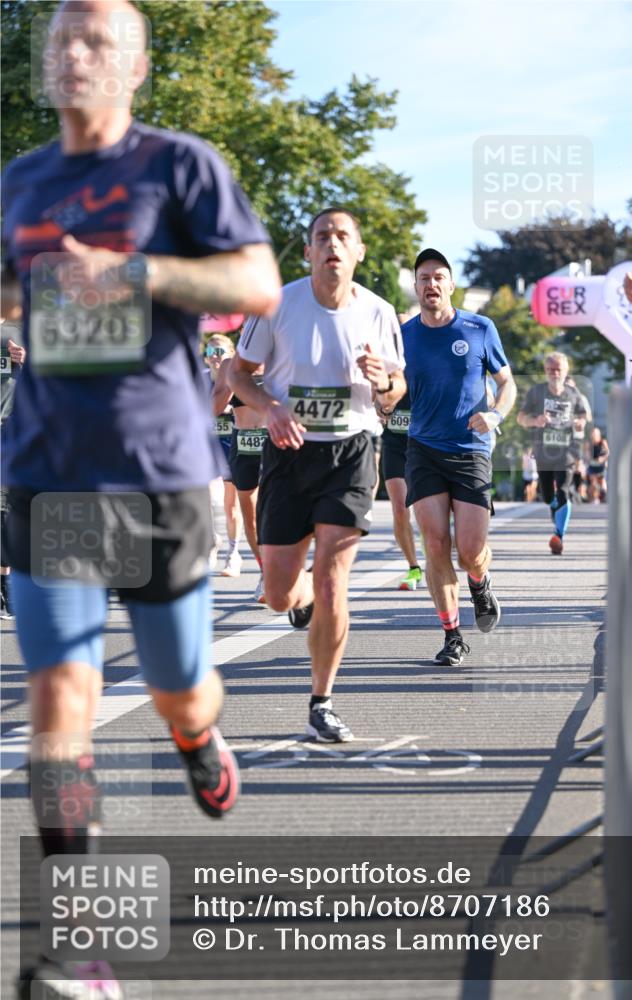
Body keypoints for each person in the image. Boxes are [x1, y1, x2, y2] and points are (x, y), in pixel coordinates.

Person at [1, 2, 281, 995]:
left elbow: (257, 281)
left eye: (97, 41)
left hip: (157, 475)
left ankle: (197, 734)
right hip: (47, 471)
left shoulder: (179, 166)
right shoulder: (22, 180)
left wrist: (132, 272)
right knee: (60, 698)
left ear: (135, 65)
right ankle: (79, 943)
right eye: (61, 39)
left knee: (175, 683)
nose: (74, 54)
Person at [227, 207, 406, 742]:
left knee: (334, 581)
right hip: (287, 451)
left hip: (350, 454)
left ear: (358, 252)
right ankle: (297, 600)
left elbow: (396, 396)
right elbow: (237, 374)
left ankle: (322, 701)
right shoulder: (277, 304)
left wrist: (383, 384)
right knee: (280, 594)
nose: (332, 243)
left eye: (342, 236)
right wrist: (272, 408)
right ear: (308, 252)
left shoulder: (379, 312)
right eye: (321, 236)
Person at [401, 249, 516, 667]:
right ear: (416, 287)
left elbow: (507, 383)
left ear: (451, 285)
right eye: (424, 278)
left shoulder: (480, 327)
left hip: (470, 450)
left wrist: (495, 412)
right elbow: (392, 386)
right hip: (424, 449)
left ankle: (480, 582)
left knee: (470, 551)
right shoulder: (404, 335)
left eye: (439, 277)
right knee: (434, 544)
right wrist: (382, 400)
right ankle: (452, 634)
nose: (431, 284)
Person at [517, 352, 589, 555]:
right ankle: (553, 504)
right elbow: (520, 418)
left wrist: (580, 422)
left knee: (564, 489)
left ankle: (559, 536)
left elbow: (584, 415)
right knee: (548, 495)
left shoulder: (574, 394)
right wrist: (535, 421)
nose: (555, 373)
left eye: (559, 369)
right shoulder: (536, 392)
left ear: (565, 371)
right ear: (545, 371)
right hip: (543, 451)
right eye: (551, 369)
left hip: (566, 451)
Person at [213, 356, 268, 603]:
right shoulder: (229, 364)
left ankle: (285, 568)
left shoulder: (282, 356)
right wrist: (228, 384)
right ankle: (266, 572)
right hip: (244, 445)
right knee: (252, 518)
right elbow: (213, 408)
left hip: (276, 442)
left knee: (278, 510)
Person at [201, 330, 243, 575]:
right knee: (204, 494)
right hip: (207, 444)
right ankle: (212, 541)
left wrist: (229, 407)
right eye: (210, 352)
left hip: (232, 442)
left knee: (231, 505)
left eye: (220, 352)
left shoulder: (238, 377)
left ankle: (233, 553)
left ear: (231, 355)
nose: (215, 357)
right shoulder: (201, 379)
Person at [380, 378, 424, 590]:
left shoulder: (426, 357)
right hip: (394, 445)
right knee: (400, 509)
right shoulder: (388, 359)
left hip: (424, 445)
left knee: (429, 511)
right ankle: (413, 567)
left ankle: (436, 552)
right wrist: (380, 407)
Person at [0, 333, 26, 619]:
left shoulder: (24, 330)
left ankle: (6, 585)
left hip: (11, 431)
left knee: (6, 510)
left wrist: (29, 362)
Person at [586, 426, 609, 503]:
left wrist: (603, 459)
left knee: (602, 482)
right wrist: (589, 458)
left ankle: (604, 496)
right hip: (592, 466)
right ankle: (593, 498)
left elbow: (608, 453)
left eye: (595, 434)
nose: (594, 436)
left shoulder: (603, 442)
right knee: (593, 482)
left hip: (601, 466)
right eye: (593, 434)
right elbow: (586, 454)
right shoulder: (589, 443)